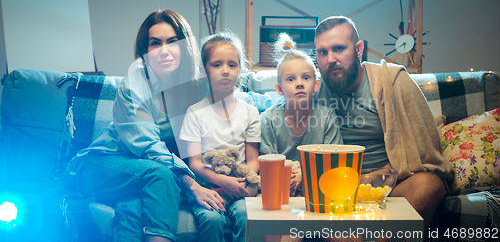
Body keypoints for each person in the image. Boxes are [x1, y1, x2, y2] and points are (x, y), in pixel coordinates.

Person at [67, 9, 225, 242]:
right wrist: (193, 186)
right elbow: (149, 147)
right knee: (160, 174)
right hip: (101, 167)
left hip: (146, 177)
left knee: (134, 206)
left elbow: (236, 102)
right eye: (155, 43)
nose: (164, 50)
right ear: (145, 51)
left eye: (172, 41)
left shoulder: (197, 86)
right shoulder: (134, 85)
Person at [313, 16, 453, 233]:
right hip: (336, 190)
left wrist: (376, 176)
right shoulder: (312, 90)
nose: (330, 59)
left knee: (429, 185)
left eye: (339, 48)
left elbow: (425, 151)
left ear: (359, 49)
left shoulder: (393, 81)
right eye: (322, 52)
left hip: (389, 186)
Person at [179, 31, 261, 242]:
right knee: (212, 220)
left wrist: (238, 183)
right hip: (208, 186)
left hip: (240, 185)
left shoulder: (250, 112)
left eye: (232, 65)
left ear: (240, 69)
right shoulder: (194, 112)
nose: (225, 71)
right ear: (203, 70)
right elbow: (195, 163)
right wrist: (222, 182)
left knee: (247, 215)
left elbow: (252, 160)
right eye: (216, 65)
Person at [260, 33, 343, 197]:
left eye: (306, 77)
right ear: (279, 89)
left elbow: (334, 162)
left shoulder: (327, 117)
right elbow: (268, 167)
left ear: (316, 85)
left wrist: (303, 176)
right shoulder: (268, 120)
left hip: (318, 188)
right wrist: (287, 178)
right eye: (290, 79)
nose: (299, 83)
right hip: (280, 190)